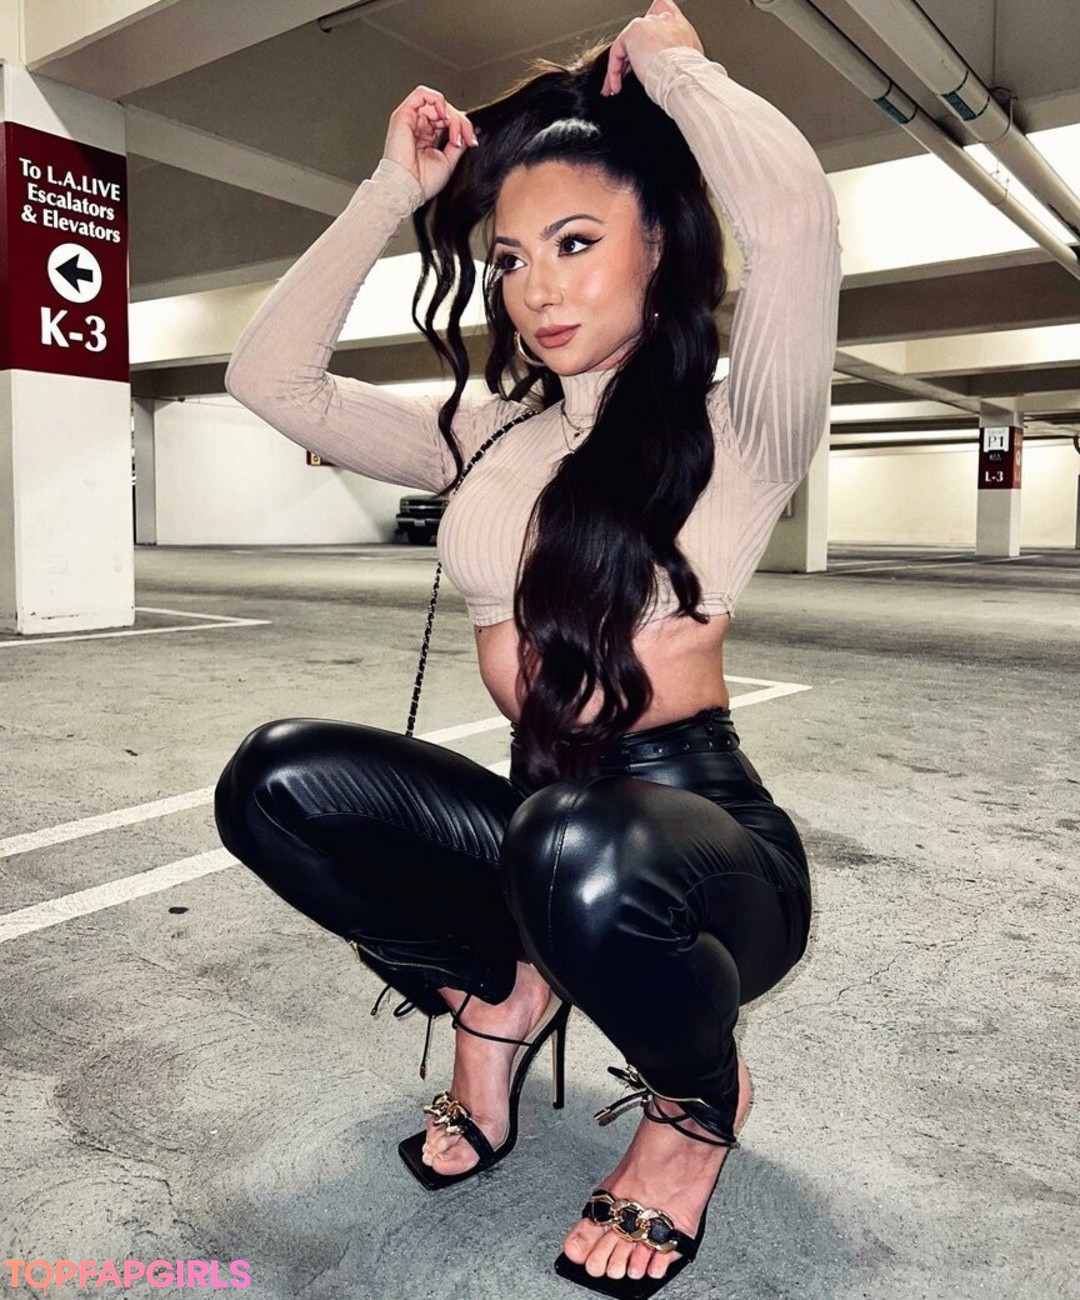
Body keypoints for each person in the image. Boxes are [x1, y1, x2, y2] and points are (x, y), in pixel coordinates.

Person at [214, 0, 841, 1294]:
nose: (536, 288)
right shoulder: (487, 433)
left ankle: (697, 1103)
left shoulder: (742, 427)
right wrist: (393, 190)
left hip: (699, 849)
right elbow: (268, 380)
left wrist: (681, 73)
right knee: (274, 782)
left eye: (575, 243)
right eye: (509, 258)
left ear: (657, 246)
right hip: (543, 817)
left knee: (574, 845)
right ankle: (499, 995)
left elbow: (793, 222)